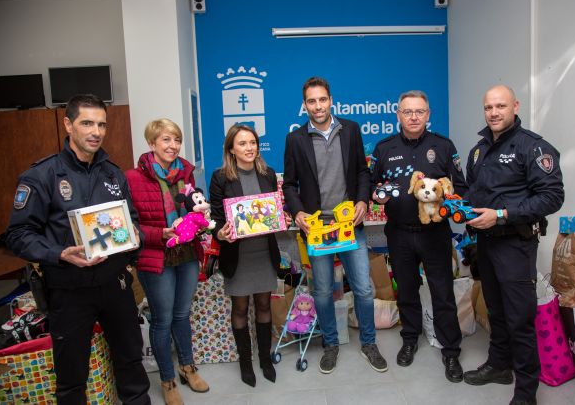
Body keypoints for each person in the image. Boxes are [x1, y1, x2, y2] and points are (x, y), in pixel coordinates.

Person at [5, 94, 151, 405]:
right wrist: (59, 253)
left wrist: (134, 236)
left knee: (131, 364)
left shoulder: (113, 174)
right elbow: (17, 235)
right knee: (71, 378)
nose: (96, 131)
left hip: (116, 286)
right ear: (68, 124)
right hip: (69, 291)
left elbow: (131, 221)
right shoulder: (41, 176)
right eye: (87, 123)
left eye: (101, 124)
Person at [463, 85, 564, 405]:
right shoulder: (479, 150)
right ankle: (499, 365)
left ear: (515, 106)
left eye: (500, 106)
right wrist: (461, 208)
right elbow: (474, 193)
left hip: (516, 245)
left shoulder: (533, 147)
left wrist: (502, 215)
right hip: (486, 244)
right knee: (496, 310)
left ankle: (526, 393)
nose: (493, 112)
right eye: (488, 107)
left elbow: (552, 197)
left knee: (520, 317)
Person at [283, 76, 388, 374]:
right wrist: (298, 213)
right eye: (311, 101)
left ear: (331, 100)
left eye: (322, 99)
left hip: (349, 224)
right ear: (304, 105)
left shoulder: (350, 129)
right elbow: (290, 184)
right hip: (317, 229)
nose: (318, 106)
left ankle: (369, 343)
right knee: (323, 290)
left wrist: (363, 201)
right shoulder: (295, 139)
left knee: (363, 289)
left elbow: (362, 172)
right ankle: (330, 344)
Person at [370, 90, 466, 382]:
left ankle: (451, 351)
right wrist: (376, 196)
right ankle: (409, 339)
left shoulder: (444, 146)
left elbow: (460, 188)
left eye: (419, 111)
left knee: (443, 293)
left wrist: (446, 207)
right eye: (407, 111)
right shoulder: (384, 148)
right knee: (407, 291)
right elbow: (372, 186)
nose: (413, 117)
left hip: (435, 234)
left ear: (428, 114)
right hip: (399, 234)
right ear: (397, 114)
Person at [125, 119, 209, 404]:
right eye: (165, 140)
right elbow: (128, 226)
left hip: (186, 255)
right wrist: (160, 233)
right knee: (162, 321)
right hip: (155, 257)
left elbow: (192, 208)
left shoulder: (186, 174)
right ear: (152, 143)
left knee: (182, 315)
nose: (172, 146)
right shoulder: (133, 179)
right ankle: (167, 379)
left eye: (176, 140)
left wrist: (201, 221)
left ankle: (188, 367)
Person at [210, 123, 281, 387]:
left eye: (252, 142)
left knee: (264, 306)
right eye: (242, 143)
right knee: (240, 308)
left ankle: (264, 359)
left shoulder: (268, 173)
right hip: (237, 254)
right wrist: (220, 233)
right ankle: (245, 362)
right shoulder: (220, 177)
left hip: (264, 251)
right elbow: (216, 218)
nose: (249, 148)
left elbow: (272, 210)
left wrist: (278, 216)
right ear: (231, 149)